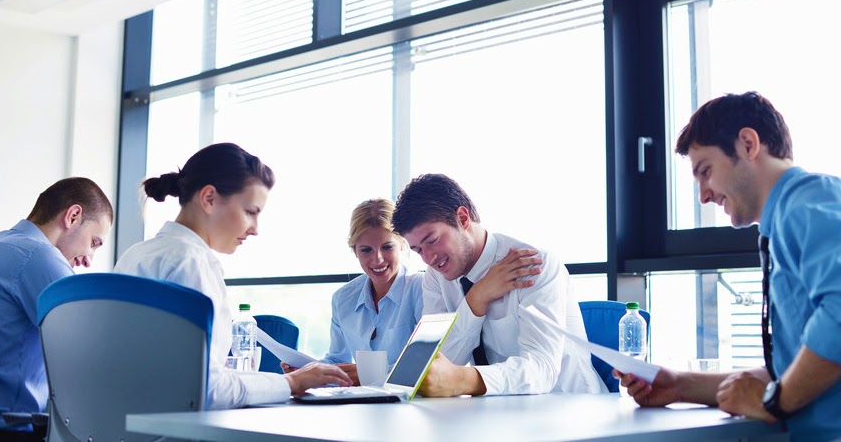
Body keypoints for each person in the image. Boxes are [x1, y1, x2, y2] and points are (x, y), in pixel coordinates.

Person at [616, 91, 841, 442]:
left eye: (706, 171)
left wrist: (774, 402)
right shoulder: (781, 225)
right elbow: (795, 370)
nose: (704, 195)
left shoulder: (809, 201)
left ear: (748, 144)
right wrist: (679, 385)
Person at [113, 143, 350, 409]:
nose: (255, 229)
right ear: (209, 198)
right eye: (250, 212)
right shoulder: (192, 263)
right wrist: (293, 383)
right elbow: (206, 391)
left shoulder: (135, 255)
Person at [391, 173, 605, 397]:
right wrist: (476, 299)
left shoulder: (534, 265)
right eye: (418, 250)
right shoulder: (436, 277)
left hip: (571, 407)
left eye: (432, 240)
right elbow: (431, 367)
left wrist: (466, 379)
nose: (429, 258)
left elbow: (542, 370)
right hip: (497, 412)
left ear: (463, 219)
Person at [0, 177, 113, 441]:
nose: (88, 260)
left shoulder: (0, 244)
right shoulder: (38, 256)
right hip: (10, 432)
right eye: (94, 242)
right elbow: (96, 349)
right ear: (72, 216)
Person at [287, 198, 423, 383]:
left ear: (402, 244)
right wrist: (308, 370)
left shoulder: (420, 289)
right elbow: (337, 359)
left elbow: (425, 364)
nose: (377, 259)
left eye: (387, 247)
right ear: (354, 251)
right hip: (361, 403)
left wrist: (367, 375)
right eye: (366, 250)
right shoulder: (343, 298)